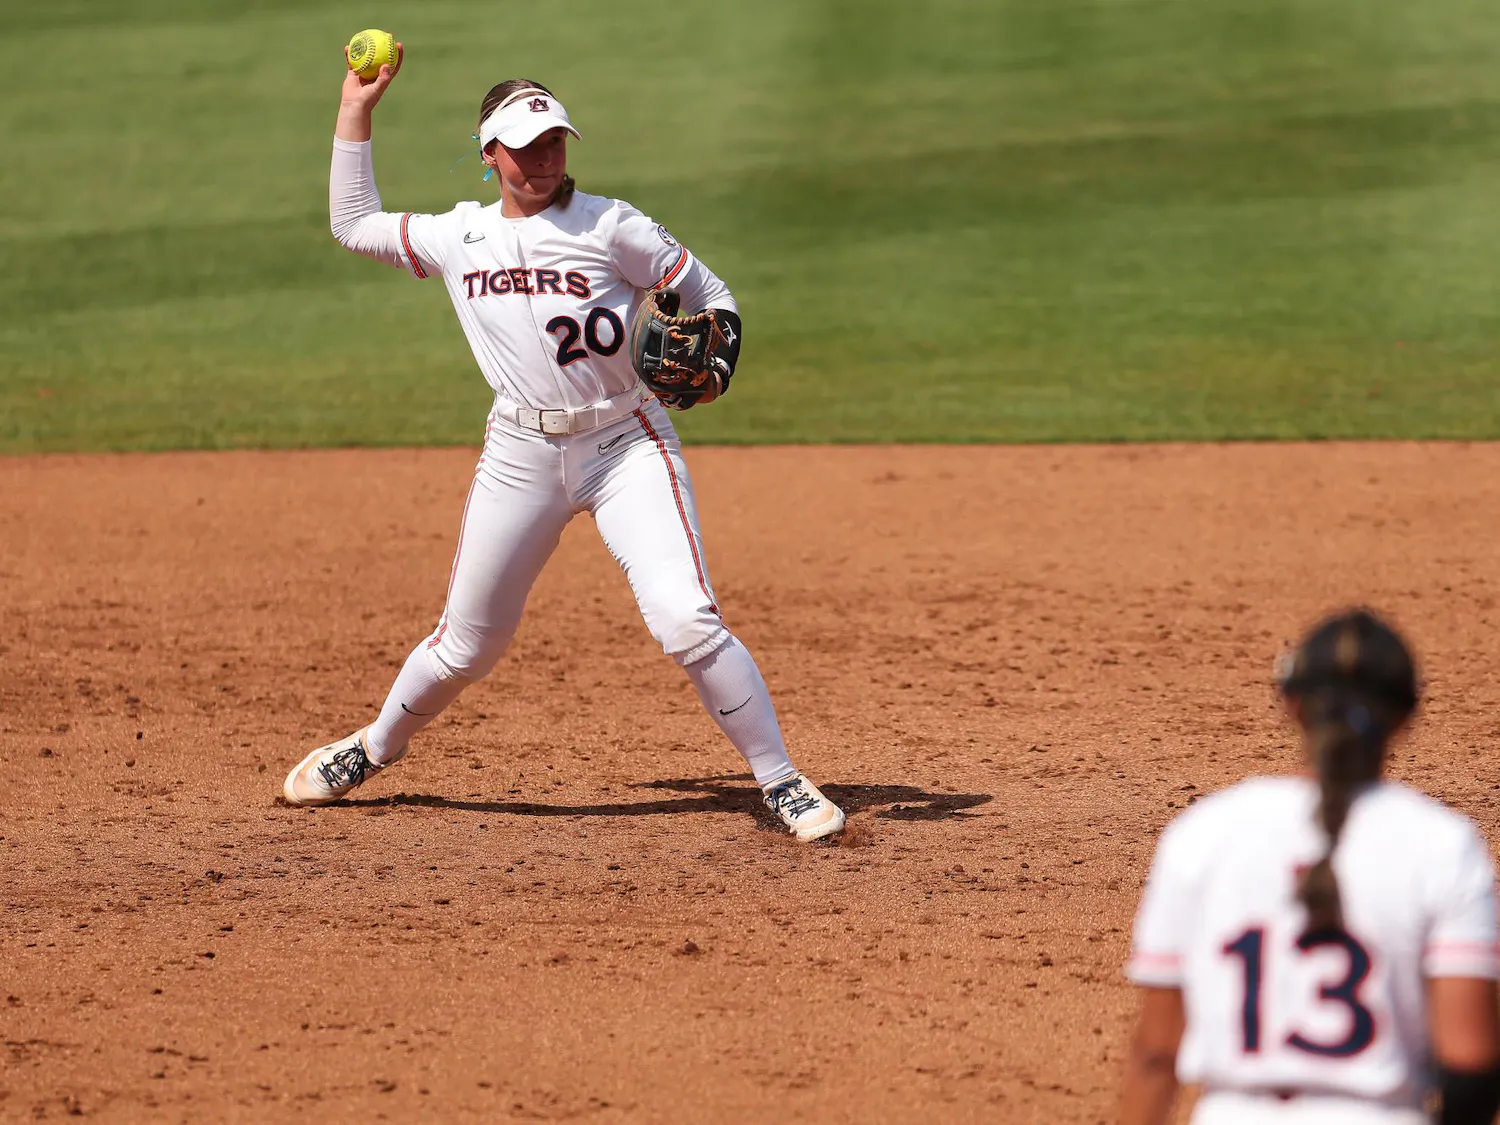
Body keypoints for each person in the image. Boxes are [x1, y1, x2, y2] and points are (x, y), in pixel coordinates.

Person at [281, 45, 846, 843]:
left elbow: (710, 294)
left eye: (554, 143)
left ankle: (781, 780)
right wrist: (356, 110)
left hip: (626, 443)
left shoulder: (613, 225)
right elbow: (352, 224)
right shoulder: (458, 237)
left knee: (686, 619)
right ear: (490, 154)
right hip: (519, 454)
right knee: (465, 646)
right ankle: (371, 748)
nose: (543, 160)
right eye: (524, 147)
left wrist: (719, 350)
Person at [1119, 609, 1500, 1124]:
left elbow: (1156, 1054)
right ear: (1407, 715)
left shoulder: (1204, 832)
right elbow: (1471, 1063)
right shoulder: (1443, 844)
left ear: (1291, 704)